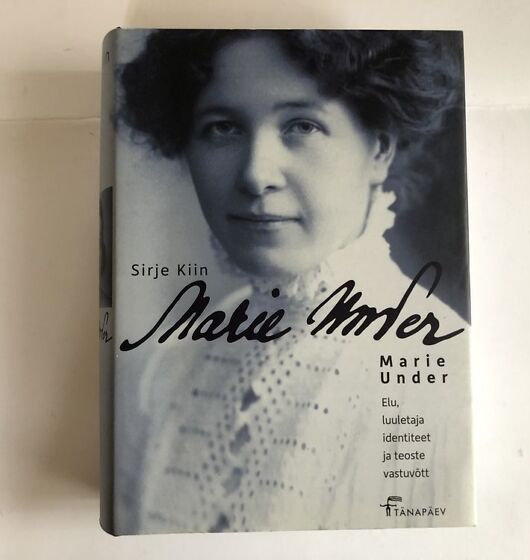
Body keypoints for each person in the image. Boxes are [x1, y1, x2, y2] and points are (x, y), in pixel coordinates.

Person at [118, 30, 472, 534]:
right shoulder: (174, 369)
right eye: (222, 127)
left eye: (302, 125)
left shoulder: (447, 381)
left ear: (380, 148)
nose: (256, 174)